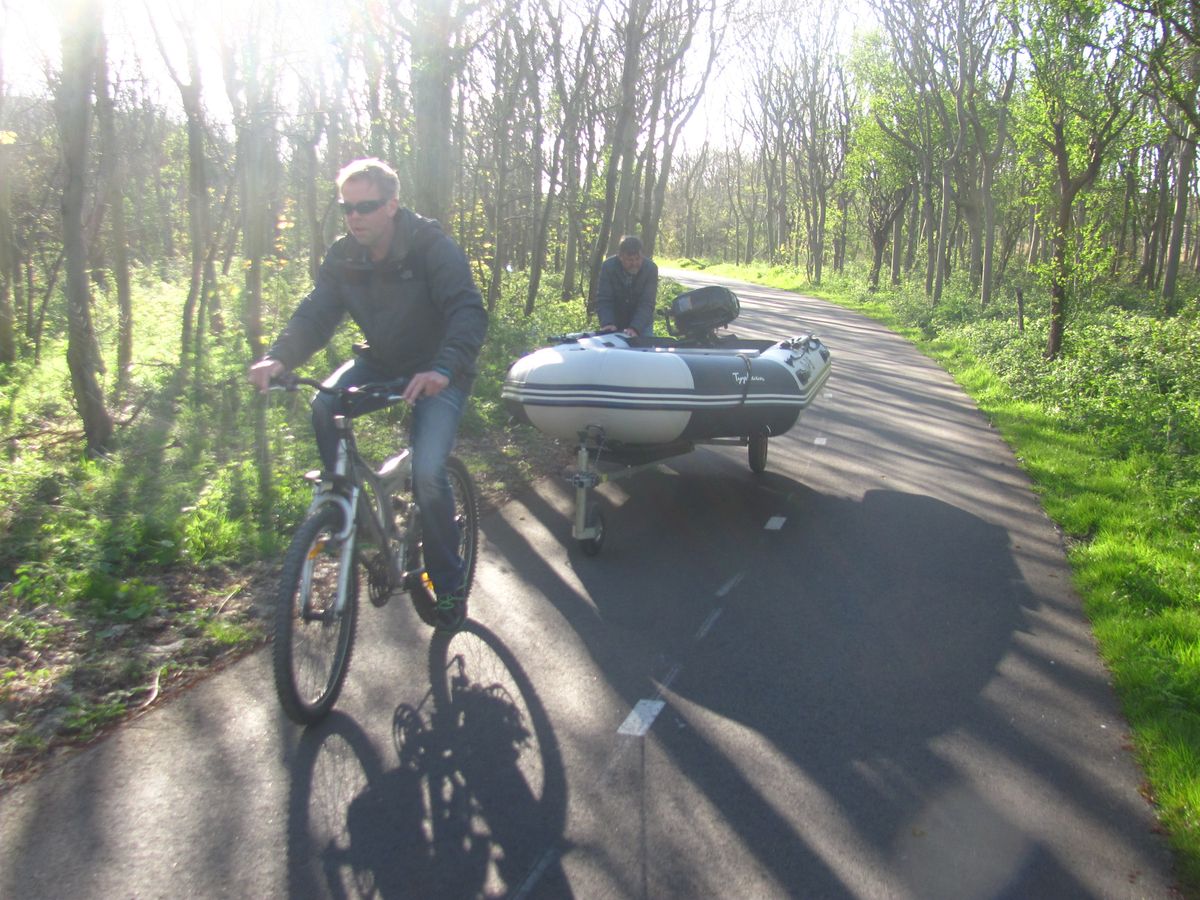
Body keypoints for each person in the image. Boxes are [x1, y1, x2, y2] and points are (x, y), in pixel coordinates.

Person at [249, 158, 488, 631]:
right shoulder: (344, 256)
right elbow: (316, 313)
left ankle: (449, 583)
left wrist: (444, 368)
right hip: (381, 362)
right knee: (325, 405)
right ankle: (352, 518)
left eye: (366, 206)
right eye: (347, 208)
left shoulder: (431, 247)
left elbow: (468, 311)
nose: (354, 217)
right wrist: (279, 358)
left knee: (428, 472)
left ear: (392, 205)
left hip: (441, 369)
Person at [596, 235, 658, 338]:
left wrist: (635, 328)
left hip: (642, 324)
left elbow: (647, 303)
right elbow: (604, 299)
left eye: (638, 259)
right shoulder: (608, 267)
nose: (634, 263)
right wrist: (607, 323)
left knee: (644, 347)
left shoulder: (651, 269)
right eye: (630, 260)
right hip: (615, 321)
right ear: (620, 257)